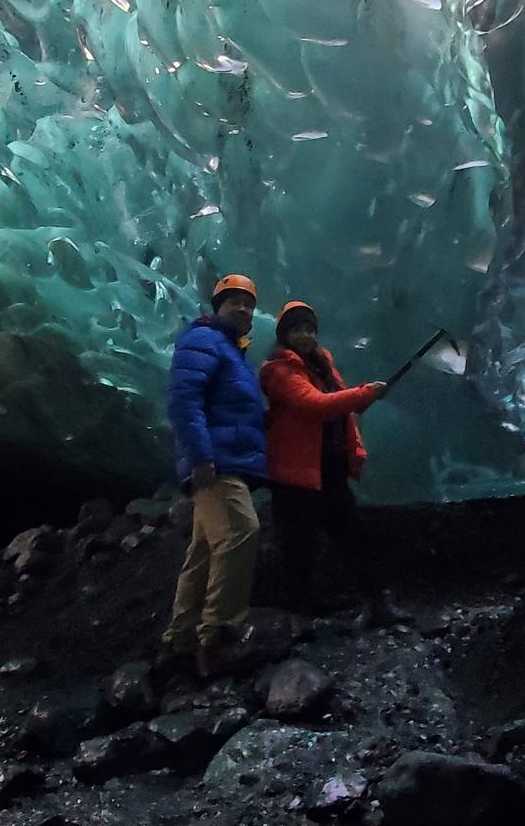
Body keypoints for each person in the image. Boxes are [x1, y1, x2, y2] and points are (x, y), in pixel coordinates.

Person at [260, 300, 396, 627]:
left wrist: (358, 400)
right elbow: (315, 405)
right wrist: (363, 395)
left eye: (308, 329)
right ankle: (299, 617)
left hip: (329, 468)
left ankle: (377, 605)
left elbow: (337, 401)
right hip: (295, 475)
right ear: (284, 334)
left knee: (354, 537)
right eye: (296, 329)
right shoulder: (276, 371)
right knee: (298, 546)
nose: (304, 335)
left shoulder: (322, 362)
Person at [159, 274, 266, 679]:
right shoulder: (203, 340)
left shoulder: (231, 350)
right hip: (215, 464)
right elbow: (184, 400)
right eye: (233, 301)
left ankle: (180, 642)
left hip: (224, 461)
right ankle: (219, 639)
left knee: (204, 551)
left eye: (248, 303)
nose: (242, 308)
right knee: (241, 531)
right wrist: (201, 456)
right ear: (217, 306)